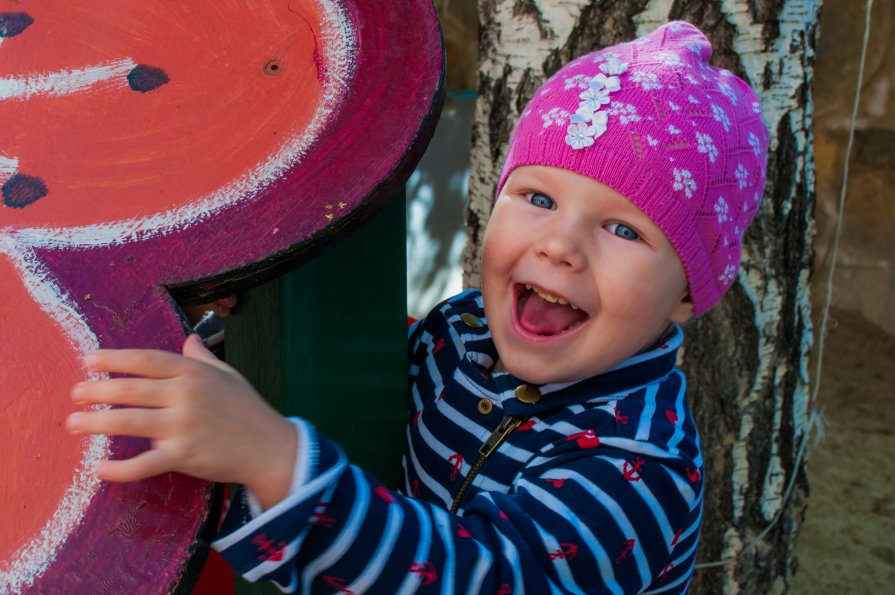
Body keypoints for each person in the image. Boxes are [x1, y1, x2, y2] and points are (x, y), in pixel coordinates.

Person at [67, 21, 769, 594]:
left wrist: (279, 460)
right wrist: (229, 328)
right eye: (538, 197)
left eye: (624, 229)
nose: (560, 245)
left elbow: (480, 575)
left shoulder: (635, 471)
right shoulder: (461, 331)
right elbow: (363, 375)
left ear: (685, 292)